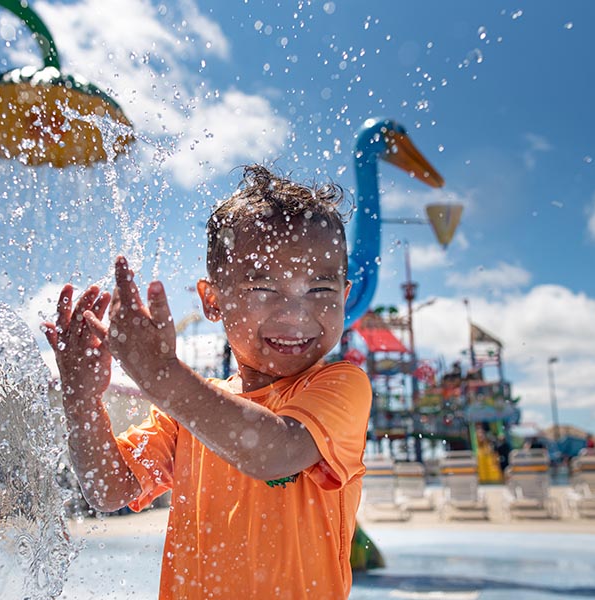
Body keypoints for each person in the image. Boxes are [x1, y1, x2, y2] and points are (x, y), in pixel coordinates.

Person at [43, 165, 372, 599]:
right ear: (213, 300)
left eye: (319, 290)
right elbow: (107, 489)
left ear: (345, 297)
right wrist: (82, 400)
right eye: (263, 288)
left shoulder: (341, 386)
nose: (295, 314)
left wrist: (162, 376)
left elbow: (273, 452)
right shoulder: (187, 412)